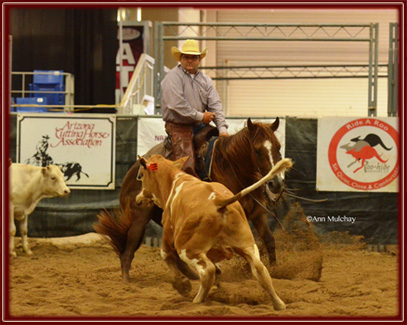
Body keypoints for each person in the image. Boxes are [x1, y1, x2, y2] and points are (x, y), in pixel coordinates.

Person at [161, 39, 229, 177]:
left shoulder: (205, 80)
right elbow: (176, 104)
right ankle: (187, 188)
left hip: (199, 125)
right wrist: (201, 116)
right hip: (179, 126)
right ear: (180, 59)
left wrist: (222, 129)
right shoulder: (172, 77)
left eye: (193, 58)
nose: (190, 61)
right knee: (187, 163)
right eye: (186, 57)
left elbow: (215, 105)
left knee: (222, 150)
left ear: (199, 60)